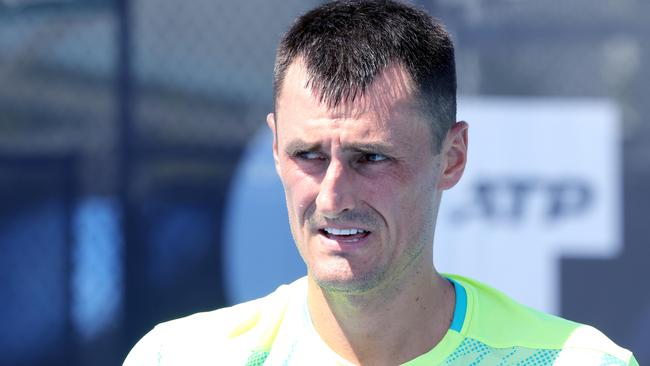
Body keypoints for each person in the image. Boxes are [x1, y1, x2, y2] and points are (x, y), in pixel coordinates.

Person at [123, 1, 639, 365]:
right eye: (308, 155)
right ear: (276, 149)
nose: (332, 196)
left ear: (452, 157)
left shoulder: (575, 362)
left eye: (370, 157)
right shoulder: (183, 357)